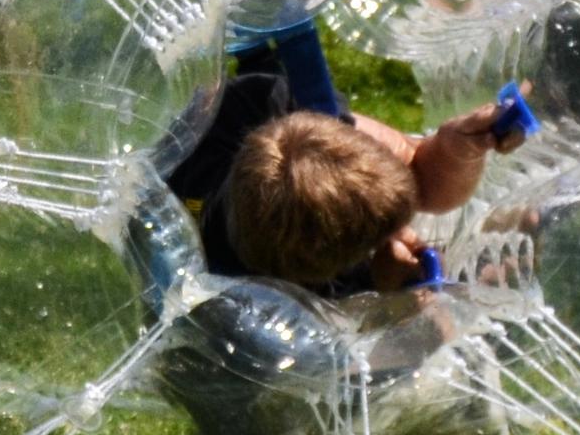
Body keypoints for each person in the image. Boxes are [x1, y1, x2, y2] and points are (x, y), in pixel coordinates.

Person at [151, 17, 533, 293]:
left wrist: (455, 149)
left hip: (237, 126)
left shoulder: (262, 106)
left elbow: (414, 173)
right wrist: (387, 288)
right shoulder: (264, 296)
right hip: (210, 206)